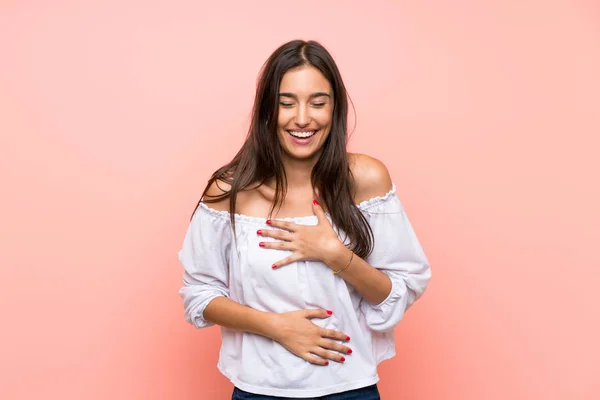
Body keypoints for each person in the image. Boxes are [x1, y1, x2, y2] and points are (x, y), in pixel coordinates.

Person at [178, 39, 431, 399]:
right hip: (258, 391)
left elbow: (400, 290)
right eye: (286, 103)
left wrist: (336, 255)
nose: (302, 118)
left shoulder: (366, 179)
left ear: (335, 109)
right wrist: (276, 327)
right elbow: (199, 295)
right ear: (268, 110)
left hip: (350, 389)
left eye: (318, 102)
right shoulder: (229, 191)